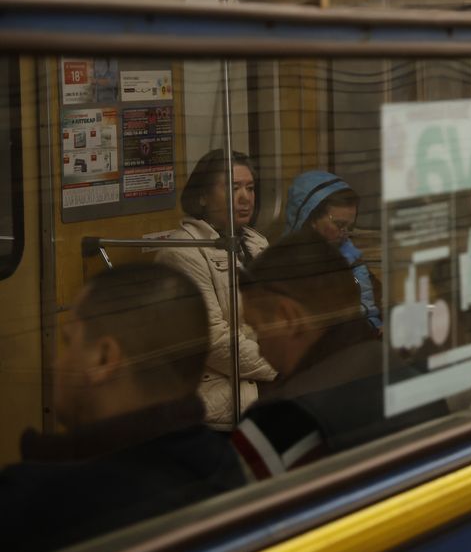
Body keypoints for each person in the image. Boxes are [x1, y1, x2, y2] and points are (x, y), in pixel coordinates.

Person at [0, 265, 244, 552]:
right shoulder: (225, 464)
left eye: (68, 342)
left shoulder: (36, 504)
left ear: (103, 358)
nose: (57, 362)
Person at [231, 234, 446, 479]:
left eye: (259, 330)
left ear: (287, 316)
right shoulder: (409, 377)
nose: (260, 349)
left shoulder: (276, 426)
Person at [158, 149, 274, 429]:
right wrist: (281, 363)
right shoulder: (182, 252)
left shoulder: (257, 243)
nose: (245, 197)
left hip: (262, 375)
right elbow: (211, 340)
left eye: (250, 188)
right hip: (218, 393)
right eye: (233, 188)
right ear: (202, 197)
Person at [283, 170, 381, 332]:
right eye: (339, 225)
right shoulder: (285, 266)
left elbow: (373, 305)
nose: (344, 234)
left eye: (349, 227)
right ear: (311, 219)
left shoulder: (351, 259)